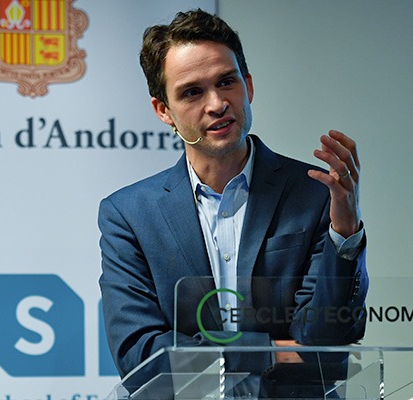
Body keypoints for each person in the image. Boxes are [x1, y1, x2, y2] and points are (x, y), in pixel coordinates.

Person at [98, 9, 368, 396]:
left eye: (227, 82)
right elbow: (140, 356)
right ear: (163, 111)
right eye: (192, 92)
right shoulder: (128, 215)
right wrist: (270, 351)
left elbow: (325, 345)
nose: (216, 104)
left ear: (249, 86)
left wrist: (345, 232)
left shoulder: (314, 192)